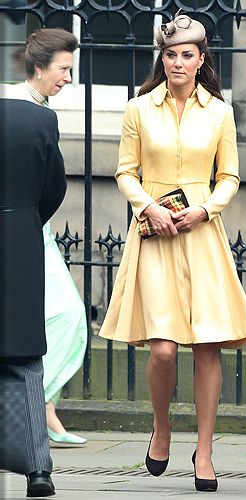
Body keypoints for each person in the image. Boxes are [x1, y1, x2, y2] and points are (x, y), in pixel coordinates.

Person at [99, 10, 246, 493]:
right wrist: (148, 206)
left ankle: (206, 452)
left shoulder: (220, 111)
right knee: (165, 350)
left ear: (201, 58)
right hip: (154, 233)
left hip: (200, 232)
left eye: (186, 54)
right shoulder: (138, 108)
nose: (176, 62)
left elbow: (231, 175)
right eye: (169, 54)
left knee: (208, 344)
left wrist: (206, 209)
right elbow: (125, 171)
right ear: (163, 58)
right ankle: (163, 427)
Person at [2, 28, 88, 445]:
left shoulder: (43, 109)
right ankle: (38, 409)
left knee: (69, 318)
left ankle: (43, 404)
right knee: (61, 316)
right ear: (39, 67)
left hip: (37, 228)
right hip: (21, 229)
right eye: (64, 69)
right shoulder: (13, 104)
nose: (69, 78)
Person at [0, 97, 66, 496]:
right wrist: (23, 218)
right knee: (25, 361)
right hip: (20, 240)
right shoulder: (39, 119)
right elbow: (54, 188)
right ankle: (38, 469)